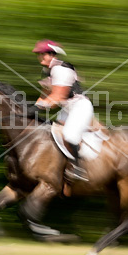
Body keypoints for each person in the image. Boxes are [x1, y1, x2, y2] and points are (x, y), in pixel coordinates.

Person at [29, 39, 93, 181]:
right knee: (52, 135)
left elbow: (58, 96)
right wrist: (31, 108)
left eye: (43, 54)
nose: (40, 57)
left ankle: (79, 167)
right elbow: (45, 95)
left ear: (52, 54)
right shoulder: (46, 71)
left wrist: (39, 107)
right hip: (68, 108)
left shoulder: (61, 69)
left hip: (80, 107)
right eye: (39, 54)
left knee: (69, 135)